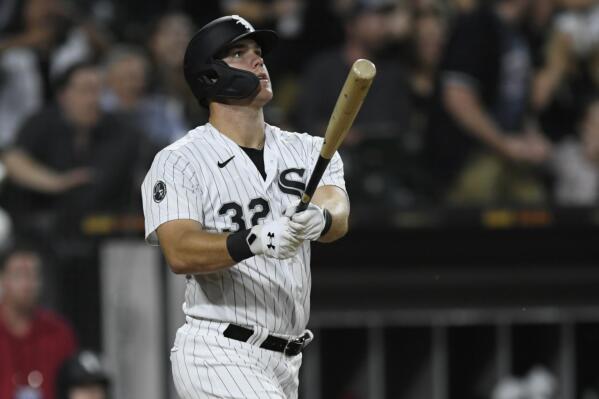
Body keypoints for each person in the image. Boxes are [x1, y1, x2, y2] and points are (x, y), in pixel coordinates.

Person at [141, 15, 349, 399]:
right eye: (239, 53)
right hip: (219, 351)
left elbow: (337, 208)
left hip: (287, 360)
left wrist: (319, 219)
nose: (258, 61)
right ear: (209, 76)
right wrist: (252, 240)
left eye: (258, 53)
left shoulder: (305, 148)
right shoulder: (180, 160)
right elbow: (179, 249)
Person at [426, 0, 553, 205]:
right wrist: (503, 144)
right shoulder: (476, 26)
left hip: (512, 153)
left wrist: (530, 137)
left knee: (538, 208)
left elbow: (520, 101)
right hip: (469, 156)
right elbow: (457, 98)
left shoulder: (523, 32)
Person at [0, 244, 77, 399]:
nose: (27, 284)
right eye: (19, 275)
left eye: (33, 275)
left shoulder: (59, 333)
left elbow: (75, 387)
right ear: (3, 279)